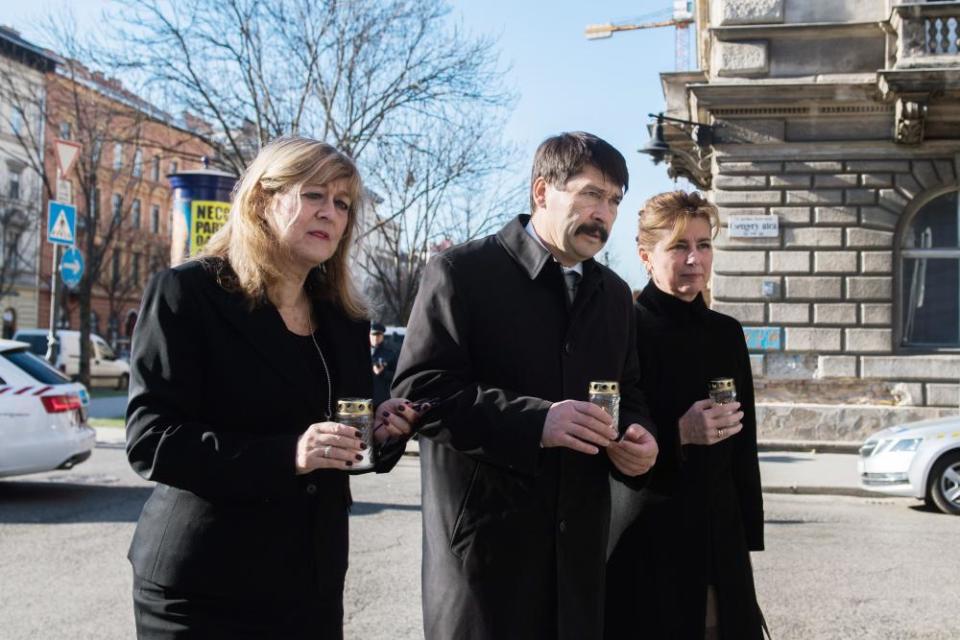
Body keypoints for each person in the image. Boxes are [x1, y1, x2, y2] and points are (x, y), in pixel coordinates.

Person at [125, 136, 420, 639]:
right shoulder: (188, 293)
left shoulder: (344, 317)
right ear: (263, 200)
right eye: (314, 196)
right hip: (203, 587)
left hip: (310, 582)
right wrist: (290, 454)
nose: (330, 213)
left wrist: (381, 432)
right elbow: (152, 440)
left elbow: (345, 431)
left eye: (343, 204)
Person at [393, 131, 659, 640]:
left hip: (577, 561)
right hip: (484, 558)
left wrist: (640, 437)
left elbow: (631, 390)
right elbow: (422, 390)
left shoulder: (615, 296)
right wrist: (538, 421)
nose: (603, 213)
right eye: (590, 194)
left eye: (613, 201)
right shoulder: (461, 273)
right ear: (542, 192)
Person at [605, 191, 765, 640]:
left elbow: (743, 444)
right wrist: (678, 434)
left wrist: (744, 536)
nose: (694, 258)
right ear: (645, 256)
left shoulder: (727, 333)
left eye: (704, 244)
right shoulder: (624, 330)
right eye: (679, 246)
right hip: (651, 536)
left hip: (720, 532)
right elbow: (610, 438)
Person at [370, 322, 398, 406]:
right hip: (364, 398)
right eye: (373, 335)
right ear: (369, 335)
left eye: (379, 335)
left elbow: (397, 376)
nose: (376, 338)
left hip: (382, 400)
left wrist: (383, 373)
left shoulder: (390, 354)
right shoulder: (362, 352)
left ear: (382, 336)